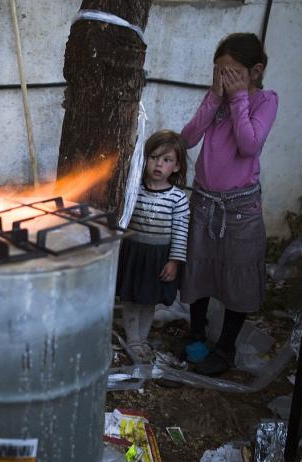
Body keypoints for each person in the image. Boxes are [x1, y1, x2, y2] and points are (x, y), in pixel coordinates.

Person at [180, 33, 278, 376]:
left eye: (232, 72)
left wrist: (238, 99)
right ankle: (196, 335)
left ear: (255, 71)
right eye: (219, 71)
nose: (224, 78)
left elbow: (249, 145)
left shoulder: (265, 101)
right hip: (205, 201)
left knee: (237, 274)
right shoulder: (216, 99)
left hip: (239, 208)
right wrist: (214, 96)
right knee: (200, 268)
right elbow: (188, 138)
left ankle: (225, 349)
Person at [116, 130, 190, 362]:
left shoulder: (178, 198)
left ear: (176, 167)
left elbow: (180, 232)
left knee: (148, 300)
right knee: (130, 298)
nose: (159, 164)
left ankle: (142, 338)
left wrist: (174, 262)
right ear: (144, 159)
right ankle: (132, 340)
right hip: (133, 253)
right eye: (154, 157)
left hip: (158, 257)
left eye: (167, 160)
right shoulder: (132, 189)